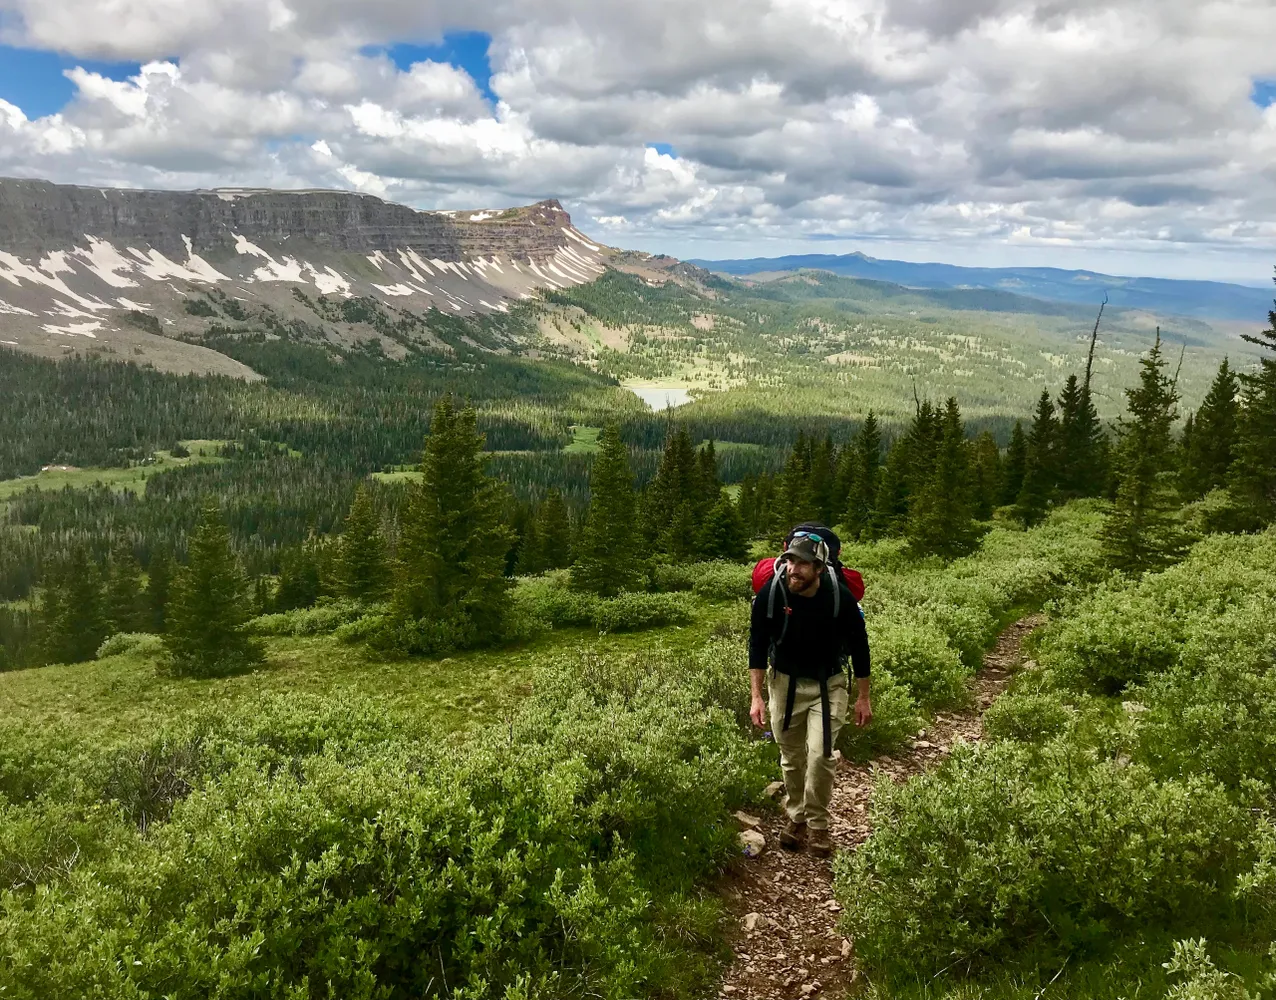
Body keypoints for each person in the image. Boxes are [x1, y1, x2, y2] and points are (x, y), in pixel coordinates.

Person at [748, 531, 871, 858]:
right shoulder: (772, 594)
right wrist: (757, 697)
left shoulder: (839, 598)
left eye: (802, 563)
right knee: (791, 757)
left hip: (828, 684)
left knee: (820, 755)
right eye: (790, 561)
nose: (793, 569)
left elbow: (860, 647)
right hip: (784, 683)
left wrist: (863, 697)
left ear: (819, 568)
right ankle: (797, 816)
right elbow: (757, 645)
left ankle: (818, 824)